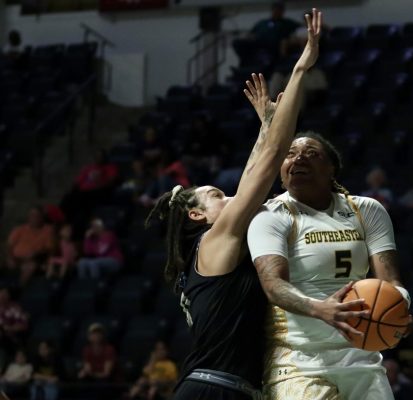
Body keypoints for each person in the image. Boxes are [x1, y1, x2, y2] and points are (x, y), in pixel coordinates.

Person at [144, 9, 334, 400]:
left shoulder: (207, 252)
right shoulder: (215, 240)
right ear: (196, 215)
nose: (228, 197)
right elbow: (267, 167)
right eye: (216, 195)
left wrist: (265, 127)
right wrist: (300, 70)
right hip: (215, 391)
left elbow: (252, 178)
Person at [247, 99, 411, 398]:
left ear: (331, 168)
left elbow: (390, 280)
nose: (298, 159)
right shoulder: (271, 215)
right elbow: (272, 285)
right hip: (297, 357)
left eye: (311, 154)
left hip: (361, 351)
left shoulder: (366, 210)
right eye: (290, 154)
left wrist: (400, 305)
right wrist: (319, 309)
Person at [6, 206, 55, 286]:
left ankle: (17, 291)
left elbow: (50, 248)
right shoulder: (19, 229)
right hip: (17, 259)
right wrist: (10, 258)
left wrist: (37, 253)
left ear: (42, 217)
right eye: (32, 215)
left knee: (29, 266)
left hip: (36, 259)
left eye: (37, 216)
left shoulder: (48, 230)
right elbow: (10, 246)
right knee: (11, 264)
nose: (34, 218)